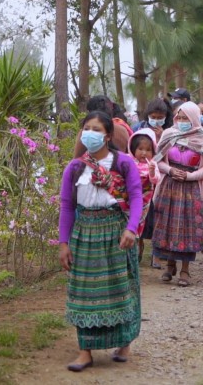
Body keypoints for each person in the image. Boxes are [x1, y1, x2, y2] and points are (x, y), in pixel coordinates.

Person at [58, 111, 143, 371]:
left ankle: (124, 342)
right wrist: (63, 243)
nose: (90, 133)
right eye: (87, 128)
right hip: (84, 234)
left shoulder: (123, 163)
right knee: (83, 292)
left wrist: (131, 229)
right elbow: (66, 206)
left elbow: (137, 196)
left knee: (120, 288)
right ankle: (85, 351)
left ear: (107, 135)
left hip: (115, 234)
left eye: (96, 129)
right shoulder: (75, 167)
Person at [151, 101, 203, 287]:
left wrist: (190, 176)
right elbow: (157, 160)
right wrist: (171, 171)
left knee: (189, 228)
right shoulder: (168, 134)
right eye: (179, 117)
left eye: (185, 118)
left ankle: (185, 270)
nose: (181, 121)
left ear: (195, 119)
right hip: (169, 187)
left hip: (192, 190)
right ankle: (169, 266)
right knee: (167, 225)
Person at [127, 128, 162, 269]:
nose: (143, 152)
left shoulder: (152, 165)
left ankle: (136, 254)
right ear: (133, 148)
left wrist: (152, 172)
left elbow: (155, 180)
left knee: (139, 228)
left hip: (144, 204)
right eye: (140, 148)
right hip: (127, 202)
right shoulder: (127, 161)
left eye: (147, 150)